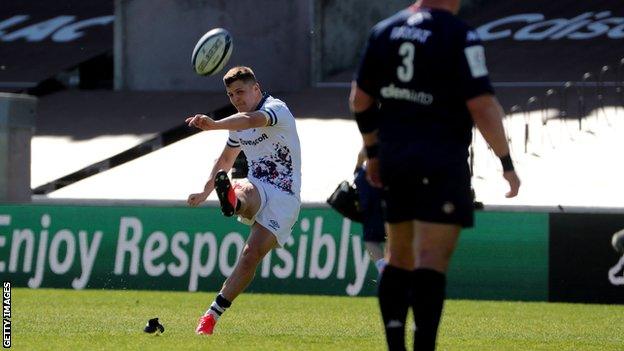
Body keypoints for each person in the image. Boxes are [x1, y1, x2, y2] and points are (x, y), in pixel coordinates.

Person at [350, 1, 520, 350]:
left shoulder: (384, 30)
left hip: (396, 160)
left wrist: (374, 153)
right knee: (431, 260)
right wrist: (506, 163)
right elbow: (483, 107)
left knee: (398, 258)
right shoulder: (460, 35)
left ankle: (395, 343)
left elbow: (359, 99)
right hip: (442, 160)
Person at [186, 66, 301, 335]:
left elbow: (250, 120)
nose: (236, 98)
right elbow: (225, 160)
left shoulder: (276, 109)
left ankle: (211, 316)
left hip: (285, 195)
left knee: (250, 256)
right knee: (244, 191)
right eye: (230, 94)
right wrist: (205, 191)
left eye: (240, 92)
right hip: (258, 185)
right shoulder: (237, 124)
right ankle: (232, 201)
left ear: (256, 89)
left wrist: (214, 125)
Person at [353, 147, 387, 273]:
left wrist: (359, 162)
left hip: (377, 212)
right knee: (374, 240)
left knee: (372, 241)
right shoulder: (363, 175)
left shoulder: (365, 176)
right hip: (378, 212)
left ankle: (385, 268)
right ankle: (385, 268)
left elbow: (357, 174)